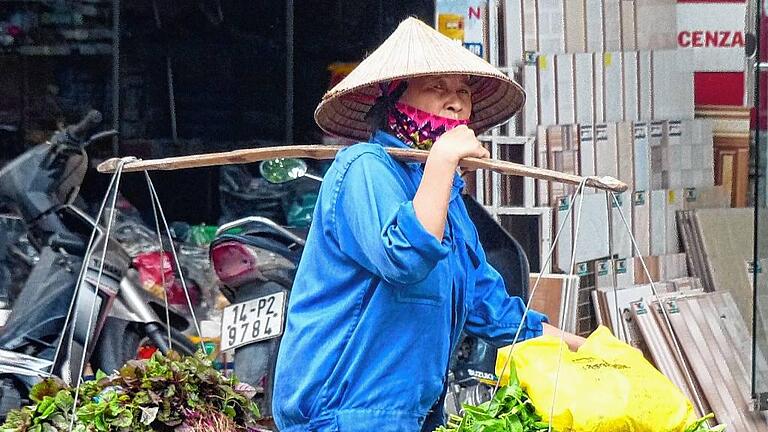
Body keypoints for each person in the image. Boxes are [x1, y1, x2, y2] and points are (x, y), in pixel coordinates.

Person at [273, 17, 586, 432]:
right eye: (437, 88)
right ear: (392, 99)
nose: (455, 103)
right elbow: (404, 255)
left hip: (414, 418)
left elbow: (493, 312)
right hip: (341, 416)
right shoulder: (363, 168)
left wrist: (589, 351)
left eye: (462, 92)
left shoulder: (449, 203)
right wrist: (443, 159)